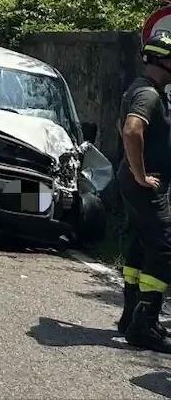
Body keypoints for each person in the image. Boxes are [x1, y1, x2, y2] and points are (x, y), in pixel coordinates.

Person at [117, 33, 171, 352]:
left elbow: (118, 125)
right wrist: (140, 173)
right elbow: (130, 129)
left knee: (140, 241)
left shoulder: (138, 88)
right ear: (163, 60)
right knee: (164, 247)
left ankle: (130, 316)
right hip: (145, 184)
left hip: (134, 181)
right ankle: (145, 325)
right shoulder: (148, 94)